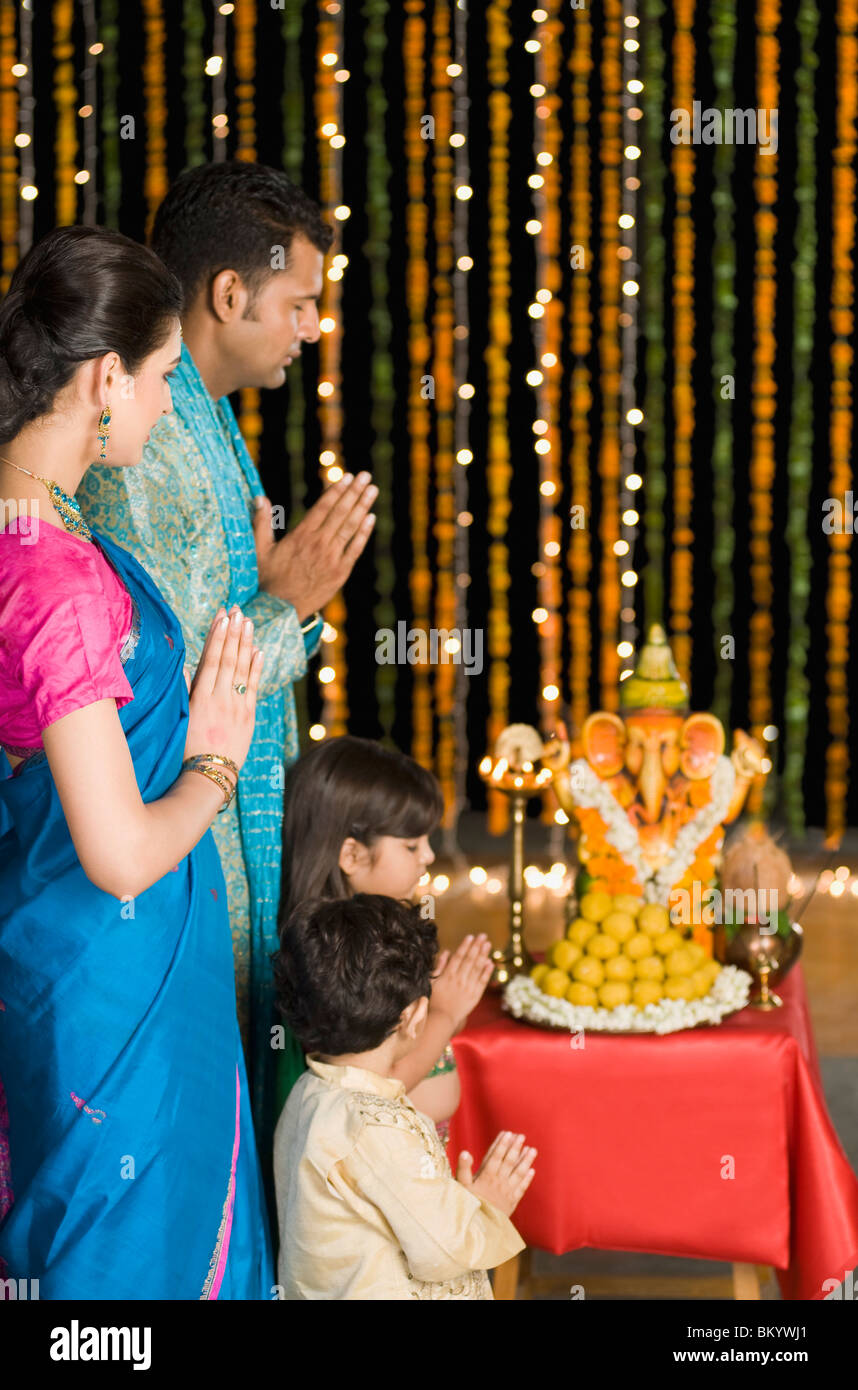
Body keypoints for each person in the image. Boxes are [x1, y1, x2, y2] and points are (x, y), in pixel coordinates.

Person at [77, 162, 378, 1147]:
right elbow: (171, 678)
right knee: (196, 1119)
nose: (311, 327)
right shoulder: (152, 444)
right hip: (175, 844)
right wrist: (288, 601)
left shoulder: (198, 410)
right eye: (301, 303)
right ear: (230, 293)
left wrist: (275, 596)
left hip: (215, 828)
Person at [0, 225, 272, 1298]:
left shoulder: (41, 536)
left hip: (83, 964)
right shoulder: (54, 575)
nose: (166, 407)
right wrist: (212, 759)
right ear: (106, 376)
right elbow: (116, 852)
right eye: (163, 378)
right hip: (115, 986)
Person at [273, 894, 534, 1300]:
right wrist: (486, 1205)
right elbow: (443, 1249)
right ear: (414, 1018)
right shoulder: (375, 1125)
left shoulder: (310, 1093)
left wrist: (456, 1202)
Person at [279, 735, 493, 1140]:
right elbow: (374, 1082)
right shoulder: (338, 960)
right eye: (412, 845)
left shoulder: (387, 935)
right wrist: (445, 1013)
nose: (428, 857)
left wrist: (450, 1002)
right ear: (352, 856)